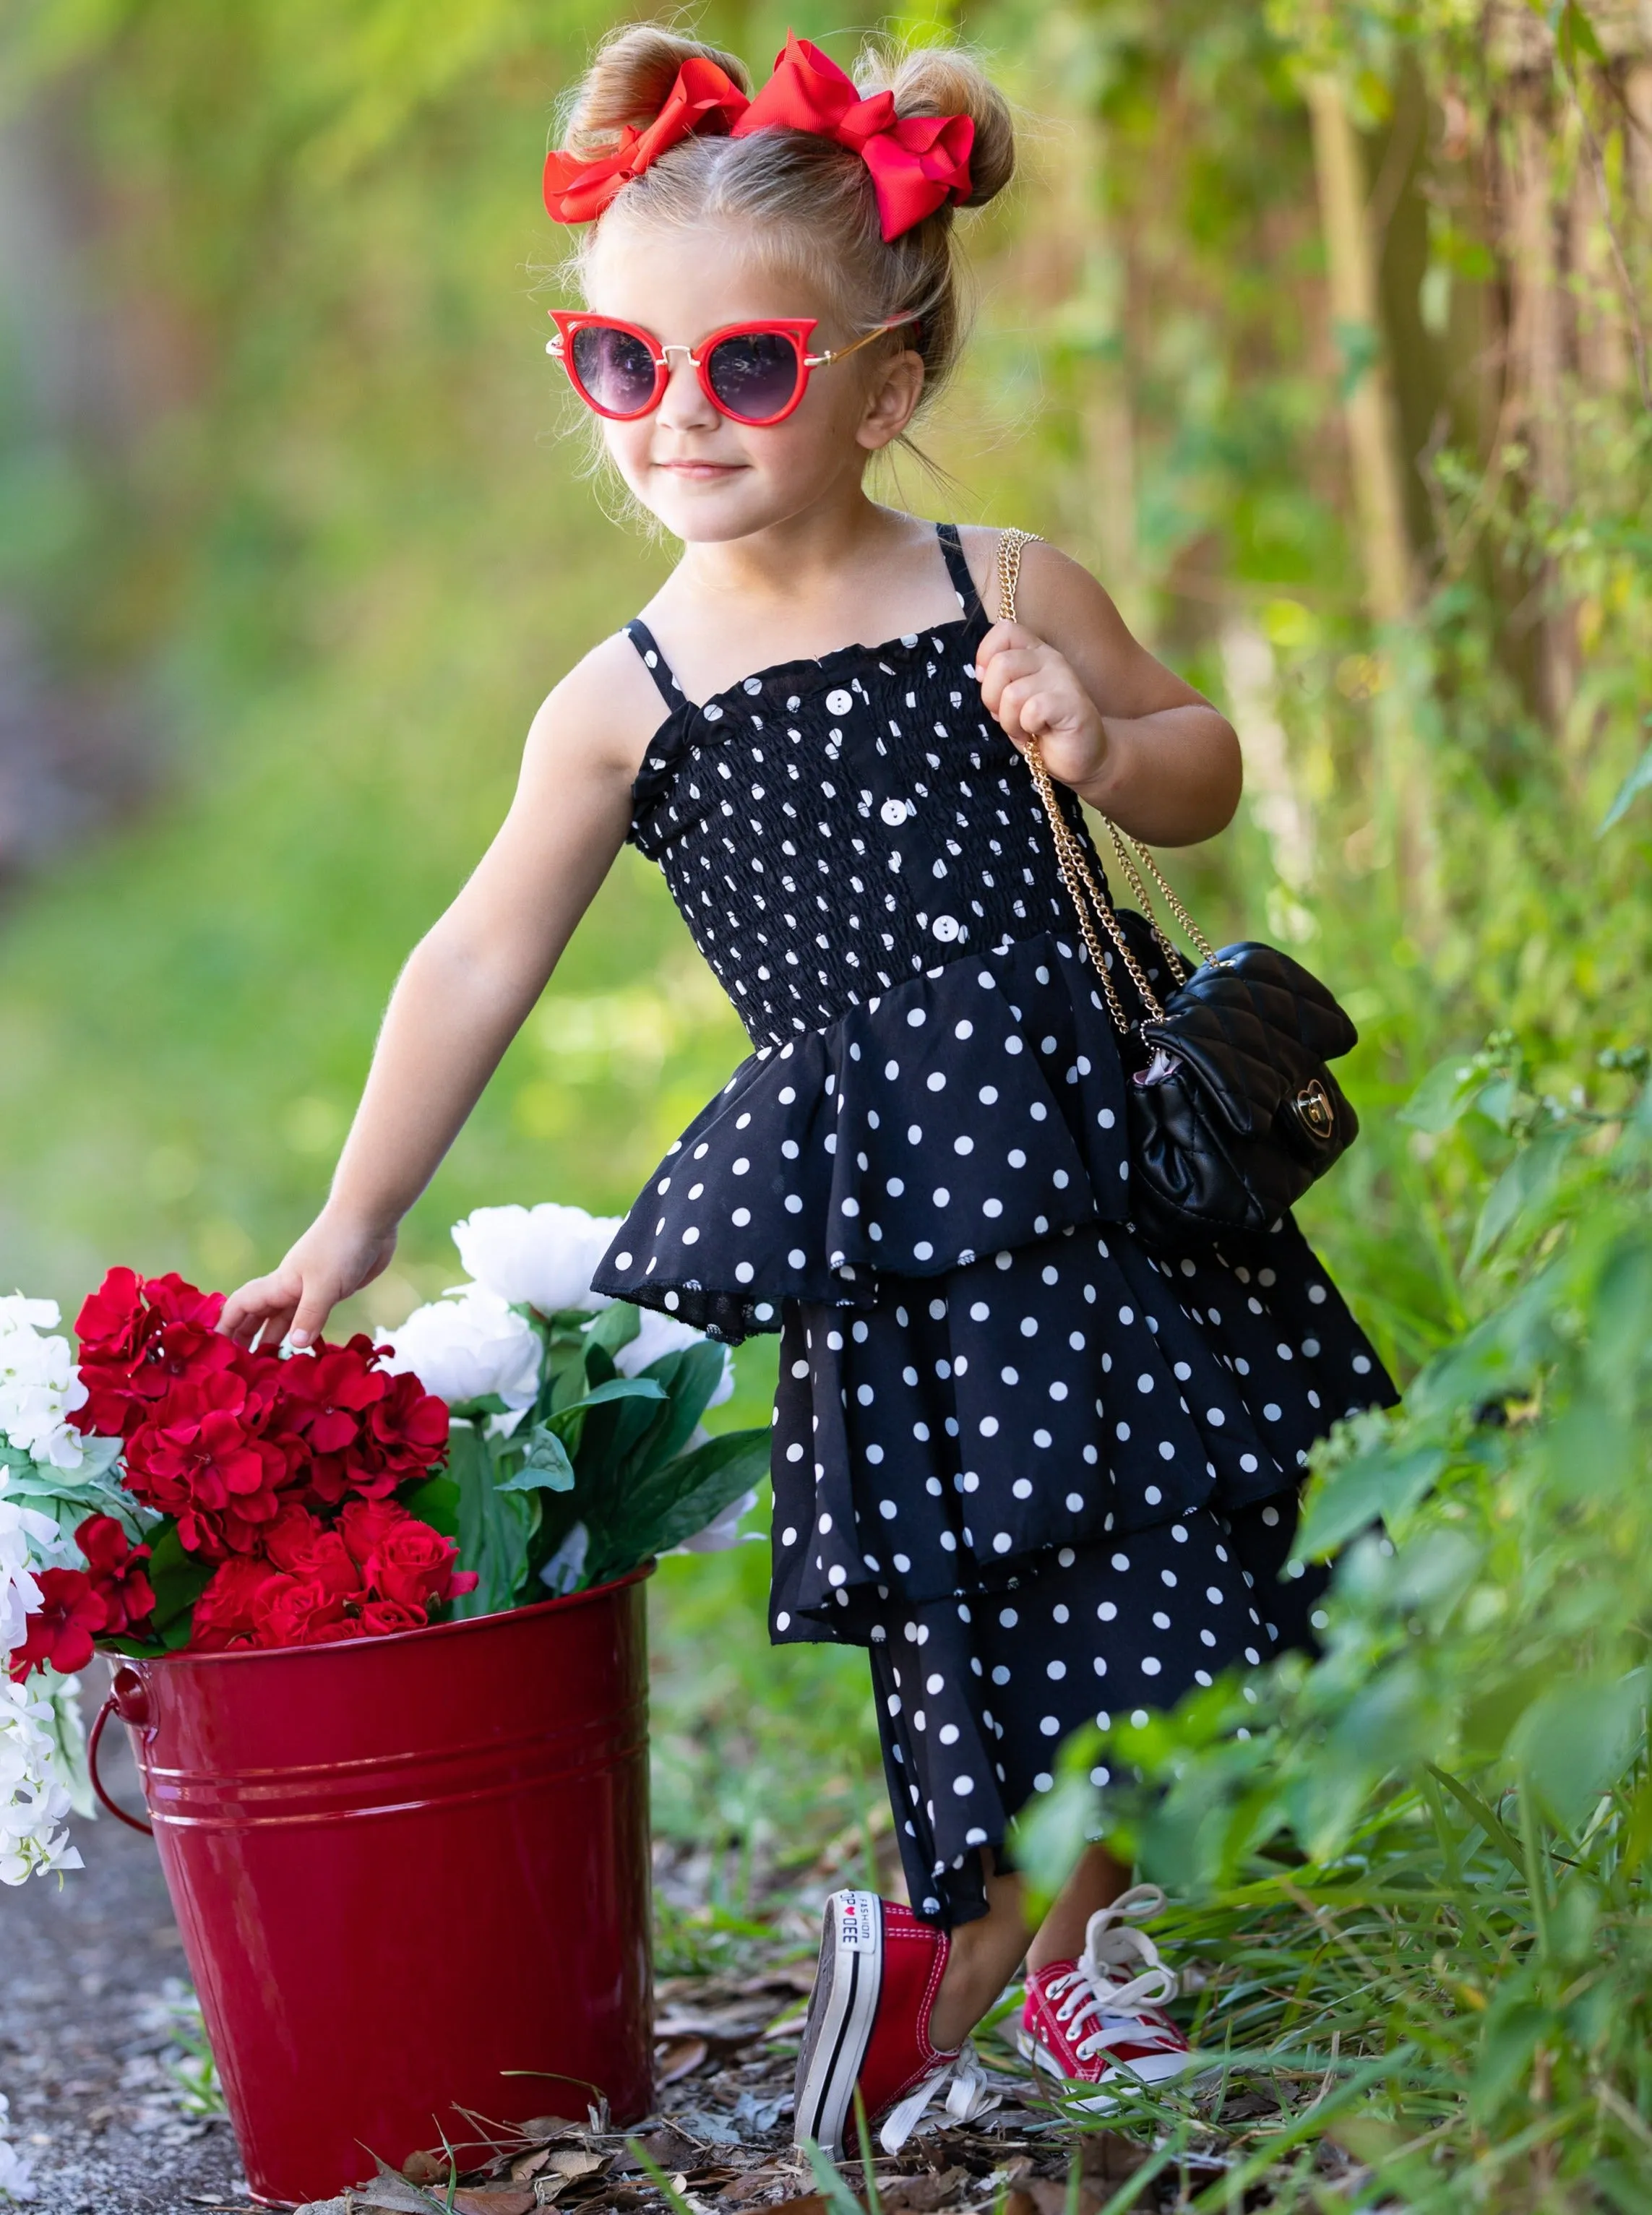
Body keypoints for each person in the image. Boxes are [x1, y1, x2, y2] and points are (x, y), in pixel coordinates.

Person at [221, 25, 1395, 2158]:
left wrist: (1097, 742)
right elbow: (480, 950)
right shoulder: (626, 698)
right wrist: (352, 1218)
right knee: (967, 1588)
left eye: (746, 367)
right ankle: (987, 1962)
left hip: (1101, 1156)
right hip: (894, 1208)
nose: (678, 419)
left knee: (1163, 1529)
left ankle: (1053, 1957)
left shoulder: (1000, 585)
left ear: (887, 377)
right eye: (619, 368)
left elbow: (1201, 765)